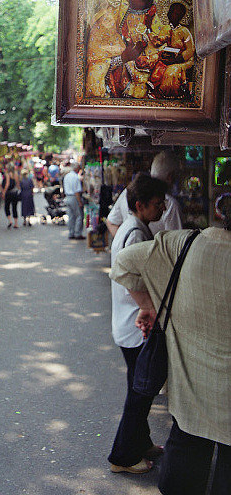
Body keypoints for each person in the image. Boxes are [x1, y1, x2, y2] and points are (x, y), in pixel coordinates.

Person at [110, 192, 231, 494]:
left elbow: (124, 263)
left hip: (193, 395)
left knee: (185, 465)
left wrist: (149, 304)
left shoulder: (186, 243)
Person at [108, 172, 167, 475]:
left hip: (129, 322)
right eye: (158, 204)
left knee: (139, 387)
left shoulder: (134, 227)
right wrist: (148, 308)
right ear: (141, 205)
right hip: (135, 325)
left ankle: (141, 443)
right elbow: (131, 278)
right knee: (140, 393)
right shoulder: (135, 233)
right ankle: (123, 455)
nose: (163, 209)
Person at [86, 0, 194, 101]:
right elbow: (94, 63)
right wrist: (123, 58)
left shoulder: (164, 23)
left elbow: (183, 55)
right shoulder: (109, 21)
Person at [106, 150, 182, 239]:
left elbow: (111, 222)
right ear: (140, 207)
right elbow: (175, 243)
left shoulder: (129, 191)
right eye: (158, 204)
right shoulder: (136, 235)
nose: (163, 208)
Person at [63, 162, 85, 240]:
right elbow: (77, 191)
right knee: (79, 215)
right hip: (74, 197)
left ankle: (71, 232)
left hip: (68, 197)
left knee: (71, 216)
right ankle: (77, 233)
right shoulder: (76, 177)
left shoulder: (67, 176)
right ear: (76, 168)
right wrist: (80, 202)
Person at [1, 162, 20, 229]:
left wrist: (3, 192)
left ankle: (10, 221)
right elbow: (17, 183)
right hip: (15, 192)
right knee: (14, 208)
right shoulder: (16, 174)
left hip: (9, 193)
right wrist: (19, 190)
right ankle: (16, 223)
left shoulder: (7, 174)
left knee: (7, 207)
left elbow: (7, 184)